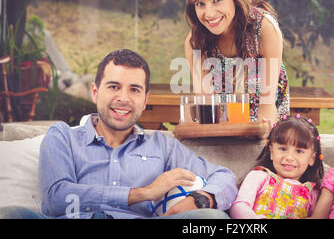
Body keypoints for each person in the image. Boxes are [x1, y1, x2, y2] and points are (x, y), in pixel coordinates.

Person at [0, 49, 237, 219]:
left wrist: (200, 199)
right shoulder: (63, 137)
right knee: (11, 214)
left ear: (145, 101)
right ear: (95, 92)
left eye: (134, 90)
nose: (123, 98)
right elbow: (57, 198)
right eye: (113, 86)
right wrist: (144, 193)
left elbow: (224, 177)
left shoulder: (163, 146)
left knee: (210, 218)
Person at [184, 0, 289, 127]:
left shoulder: (264, 29)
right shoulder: (195, 41)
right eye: (200, 3)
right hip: (221, 129)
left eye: (217, 0)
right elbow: (205, 106)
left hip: (264, 126)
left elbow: (267, 106)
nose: (209, 13)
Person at [229, 114, 324, 219]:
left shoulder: (313, 193)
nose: (289, 157)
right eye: (283, 149)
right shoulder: (259, 177)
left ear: (312, 158)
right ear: (271, 152)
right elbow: (239, 206)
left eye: (299, 151)